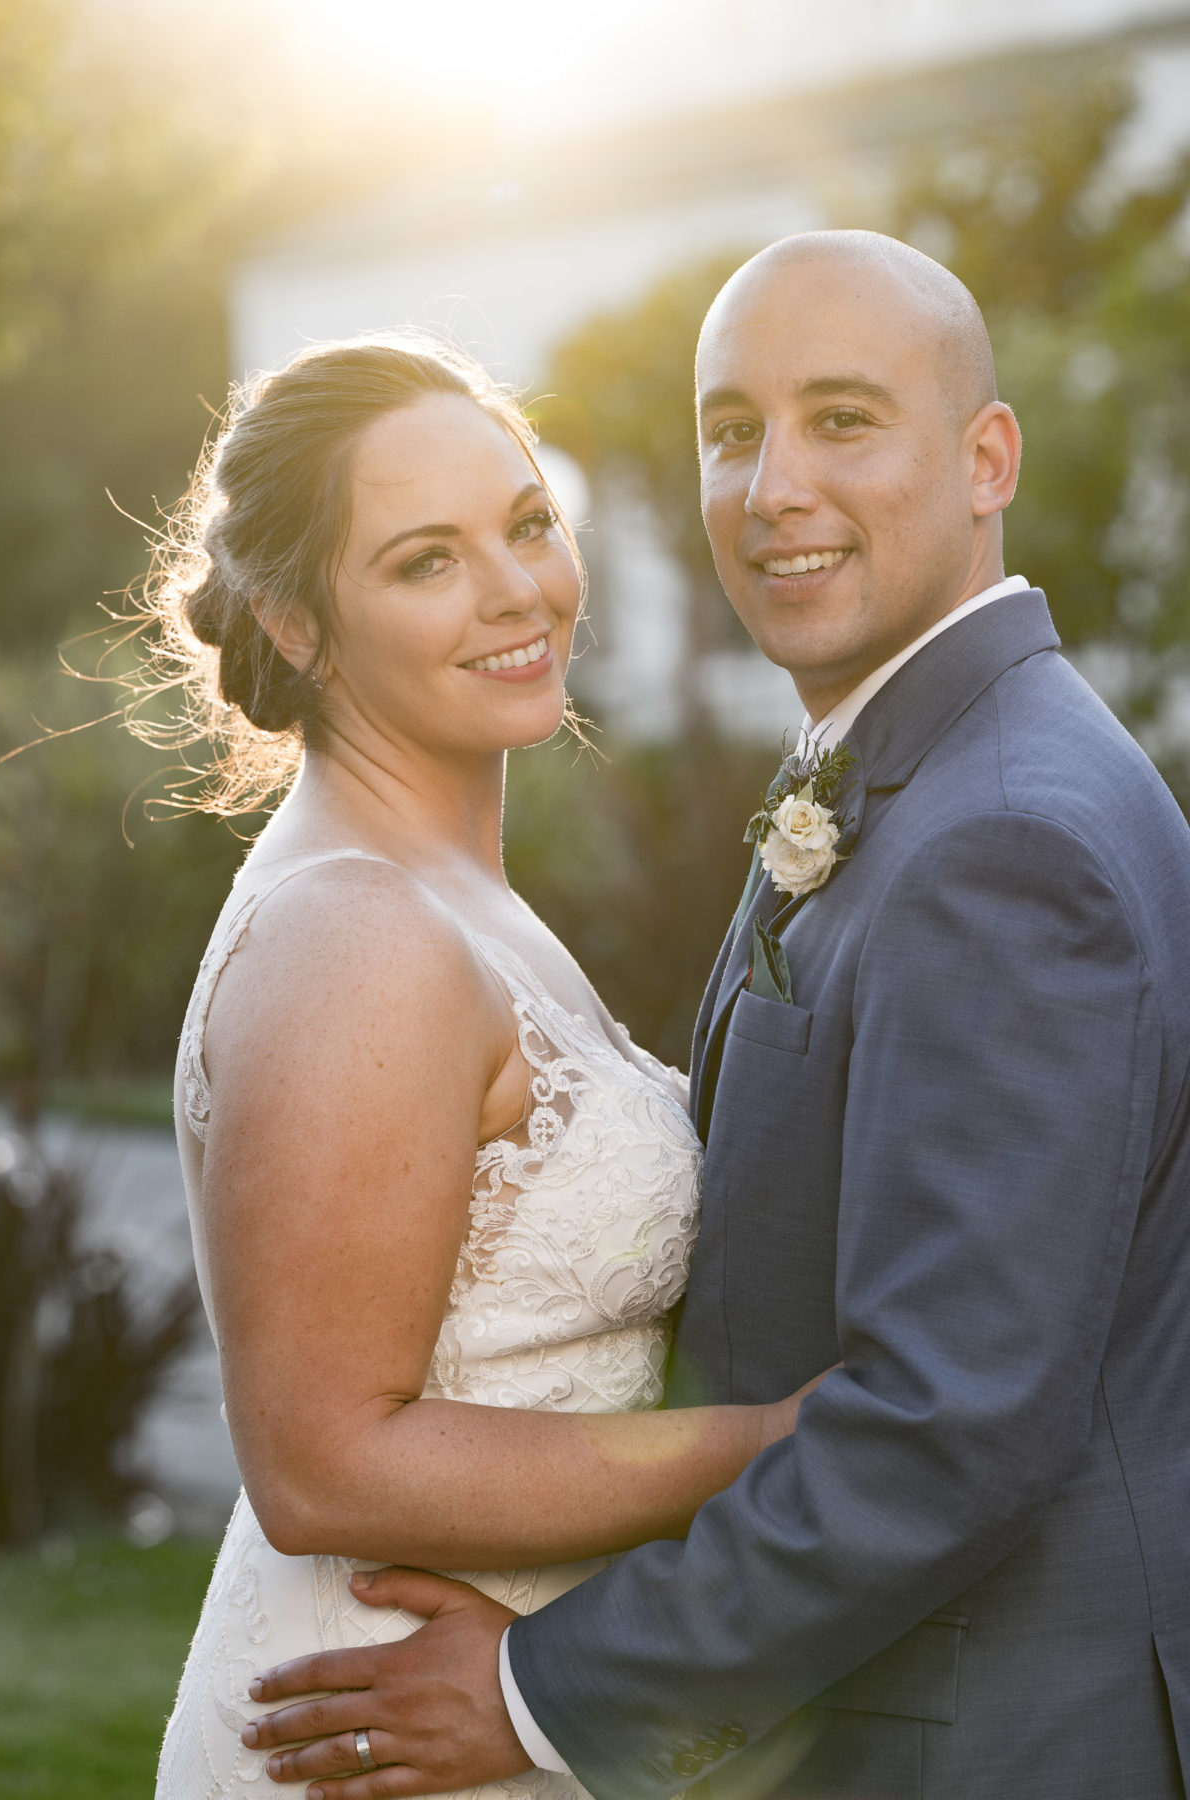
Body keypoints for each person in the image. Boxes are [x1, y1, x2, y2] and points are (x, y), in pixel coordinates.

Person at [246, 234, 1190, 1800]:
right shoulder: (931, 767)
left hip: (982, 1736)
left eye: (842, 420)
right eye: (732, 432)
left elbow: (943, 1430)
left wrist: (546, 1693)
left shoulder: (1003, 840)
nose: (771, 491)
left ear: (985, 459)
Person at [147, 334, 827, 1800]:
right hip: (382, 1722)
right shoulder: (355, 930)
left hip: (507, 1703)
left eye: (527, 523)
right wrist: (777, 1444)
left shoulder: (452, 894)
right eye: (424, 562)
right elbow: (321, 1461)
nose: (519, 590)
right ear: (299, 622)